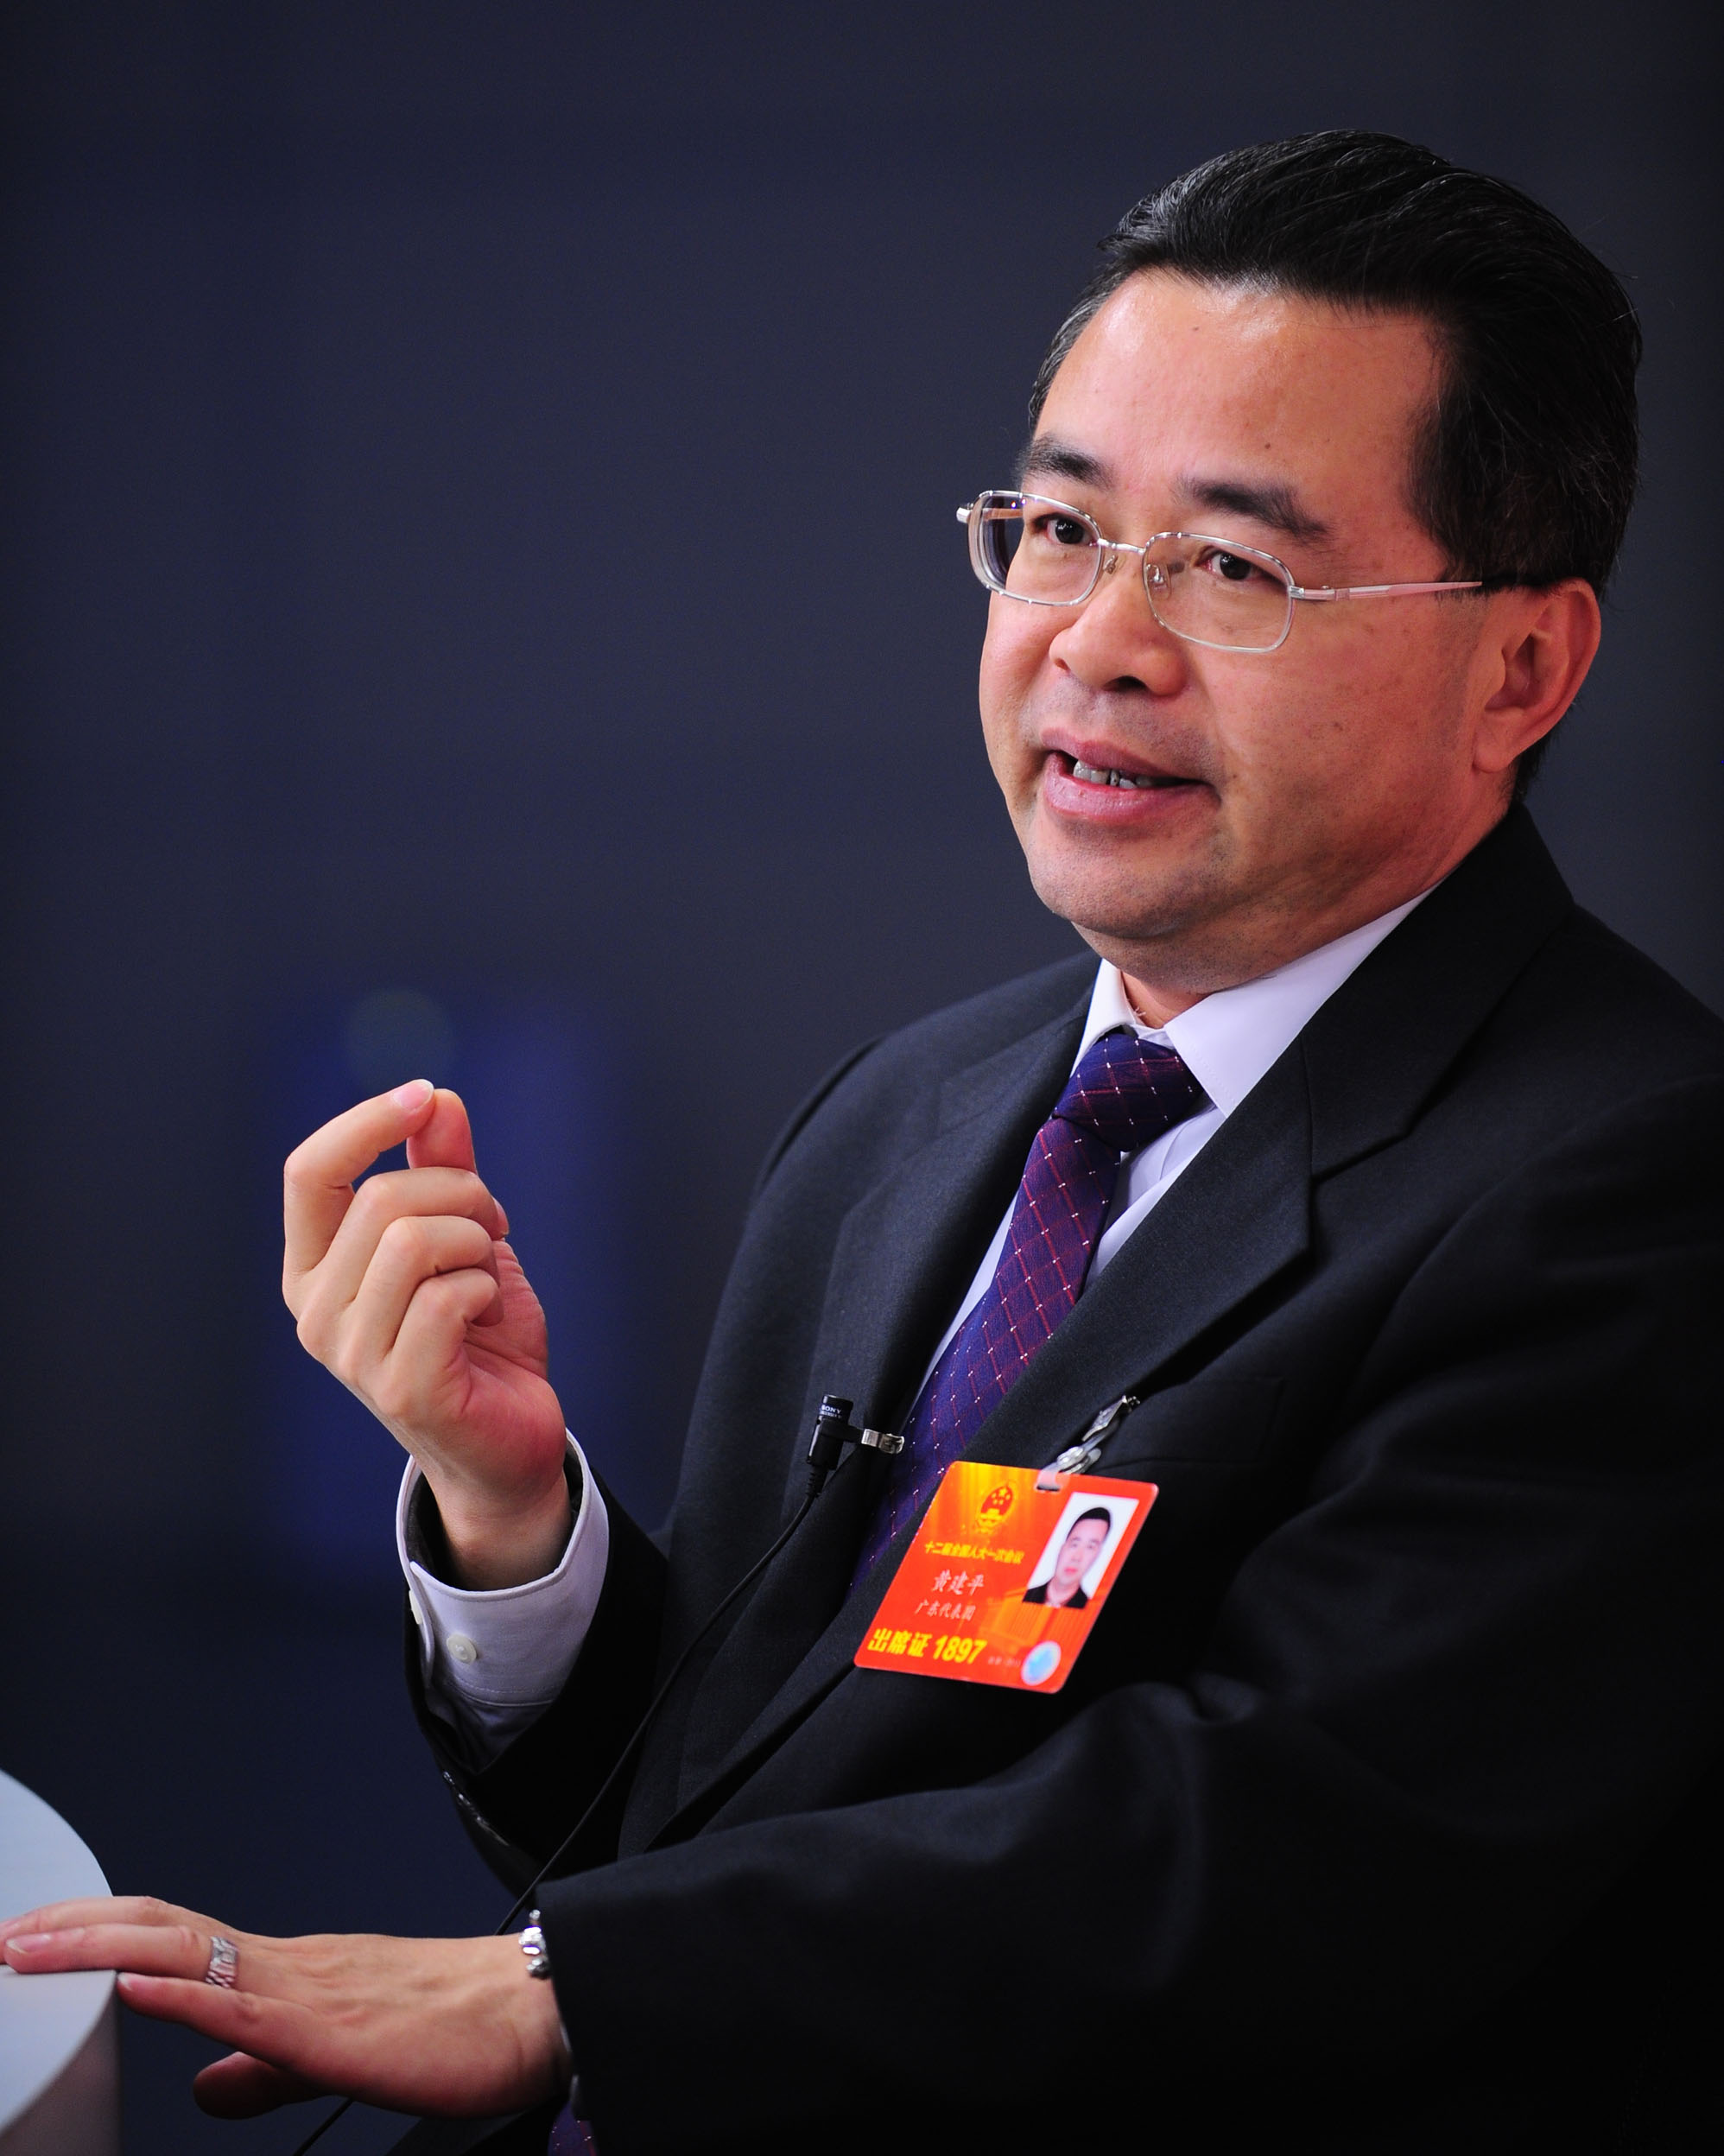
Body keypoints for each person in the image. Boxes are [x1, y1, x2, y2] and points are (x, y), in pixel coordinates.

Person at [6, 130, 1724, 2153]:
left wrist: (565, 1987)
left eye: (1235, 567)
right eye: (1060, 529)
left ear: (1520, 667)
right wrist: (511, 1514)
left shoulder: (1628, 1182)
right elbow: (718, 1809)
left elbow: (1286, 1851)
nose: (1098, 640)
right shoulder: (909, 1111)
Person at [1022, 1508, 1113, 1608]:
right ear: (1062, 1548)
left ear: (1097, 1555)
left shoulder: (1092, 1609)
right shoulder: (1022, 1596)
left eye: (1090, 1547)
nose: (1077, 1557)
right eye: (1074, 1544)